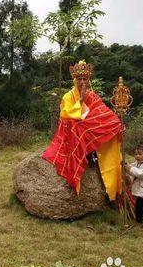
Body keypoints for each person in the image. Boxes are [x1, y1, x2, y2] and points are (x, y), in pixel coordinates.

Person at [42, 60, 123, 201]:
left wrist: (117, 123)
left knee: (110, 124)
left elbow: (103, 112)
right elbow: (65, 114)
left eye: (85, 79)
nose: (82, 82)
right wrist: (80, 102)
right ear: (74, 80)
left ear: (88, 80)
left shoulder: (92, 95)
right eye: (79, 79)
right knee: (79, 127)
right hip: (71, 128)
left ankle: (95, 154)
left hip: (87, 126)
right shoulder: (68, 96)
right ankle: (83, 155)